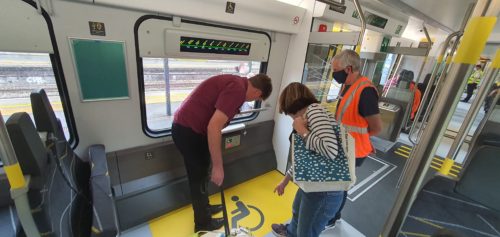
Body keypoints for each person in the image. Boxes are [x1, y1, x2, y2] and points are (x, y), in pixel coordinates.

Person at [171, 73, 272, 232]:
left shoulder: (236, 83)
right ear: (258, 94)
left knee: (202, 173)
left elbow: (214, 120)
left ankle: (205, 208)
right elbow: (213, 127)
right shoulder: (238, 90)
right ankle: (202, 223)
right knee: (197, 179)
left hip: (191, 130)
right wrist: (218, 166)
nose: (253, 101)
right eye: (257, 99)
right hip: (188, 132)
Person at [270, 82, 345, 237]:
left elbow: (330, 150)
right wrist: (285, 181)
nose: (291, 118)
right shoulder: (306, 116)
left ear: (292, 105)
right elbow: (306, 157)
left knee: (306, 231)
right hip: (313, 183)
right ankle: (290, 233)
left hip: (324, 189)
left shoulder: (314, 112)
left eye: (289, 113)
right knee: (297, 213)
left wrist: (301, 130)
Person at [326, 49, 382, 228]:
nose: (334, 74)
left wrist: (362, 140)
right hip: (343, 145)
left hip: (354, 150)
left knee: (339, 185)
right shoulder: (347, 85)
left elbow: (376, 128)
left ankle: (332, 218)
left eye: (335, 70)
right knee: (336, 183)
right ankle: (335, 214)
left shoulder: (365, 91)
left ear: (348, 69)